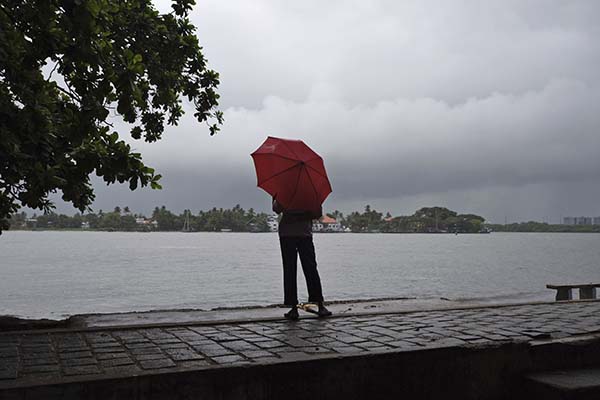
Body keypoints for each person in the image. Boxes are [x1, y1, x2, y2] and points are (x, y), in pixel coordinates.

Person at [273, 198, 332, 320]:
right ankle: (320, 305)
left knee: (289, 269)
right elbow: (317, 214)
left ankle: (293, 308)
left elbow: (276, 209)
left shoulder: (282, 189)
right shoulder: (310, 191)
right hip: (304, 233)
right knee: (311, 269)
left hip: (287, 234)